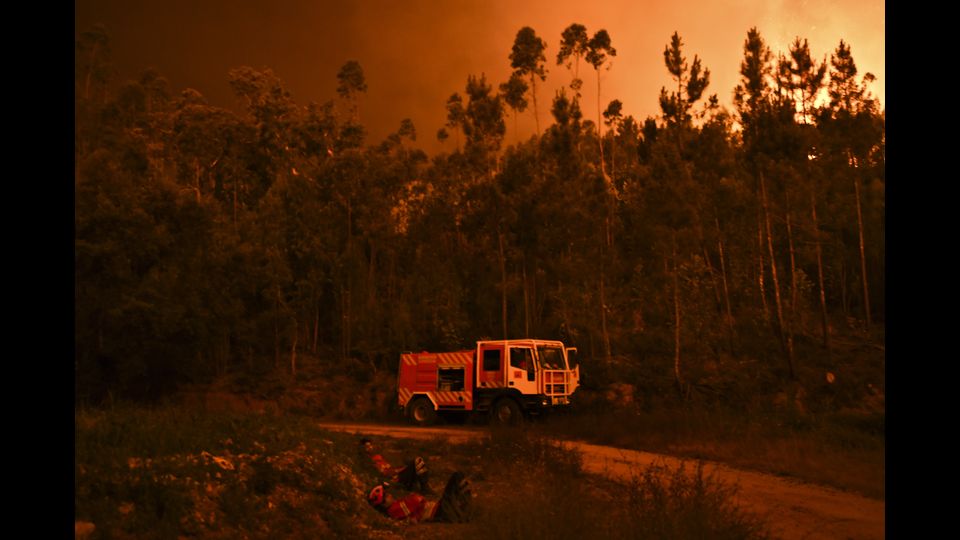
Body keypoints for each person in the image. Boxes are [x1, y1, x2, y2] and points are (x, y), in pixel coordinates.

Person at [367, 471, 472, 523]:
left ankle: (464, 513)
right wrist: (414, 497)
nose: (389, 495)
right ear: (383, 503)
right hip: (440, 511)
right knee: (457, 477)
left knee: (460, 485)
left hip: (440, 508)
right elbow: (417, 500)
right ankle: (461, 515)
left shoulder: (395, 506)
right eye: (386, 495)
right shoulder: (394, 509)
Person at [360, 437, 433, 494]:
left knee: (418, 462)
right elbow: (385, 473)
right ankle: (424, 487)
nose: (370, 448)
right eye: (367, 447)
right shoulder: (370, 461)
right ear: (363, 449)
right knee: (418, 460)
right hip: (397, 479)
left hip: (398, 474)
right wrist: (400, 470)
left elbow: (389, 467)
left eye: (370, 445)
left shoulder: (377, 456)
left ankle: (424, 486)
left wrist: (402, 468)